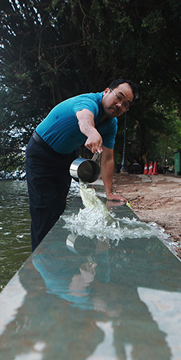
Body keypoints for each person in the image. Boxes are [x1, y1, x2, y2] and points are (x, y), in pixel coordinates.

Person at [25, 79, 139, 250]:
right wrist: (92, 132)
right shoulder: (88, 101)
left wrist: (109, 193)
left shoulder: (111, 124)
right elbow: (84, 118)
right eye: (118, 97)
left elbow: (107, 158)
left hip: (66, 156)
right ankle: (39, 260)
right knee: (42, 209)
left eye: (125, 104)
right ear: (107, 91)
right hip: (41, 153)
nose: (119, 105)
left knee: (57, 206)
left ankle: (58, 255)